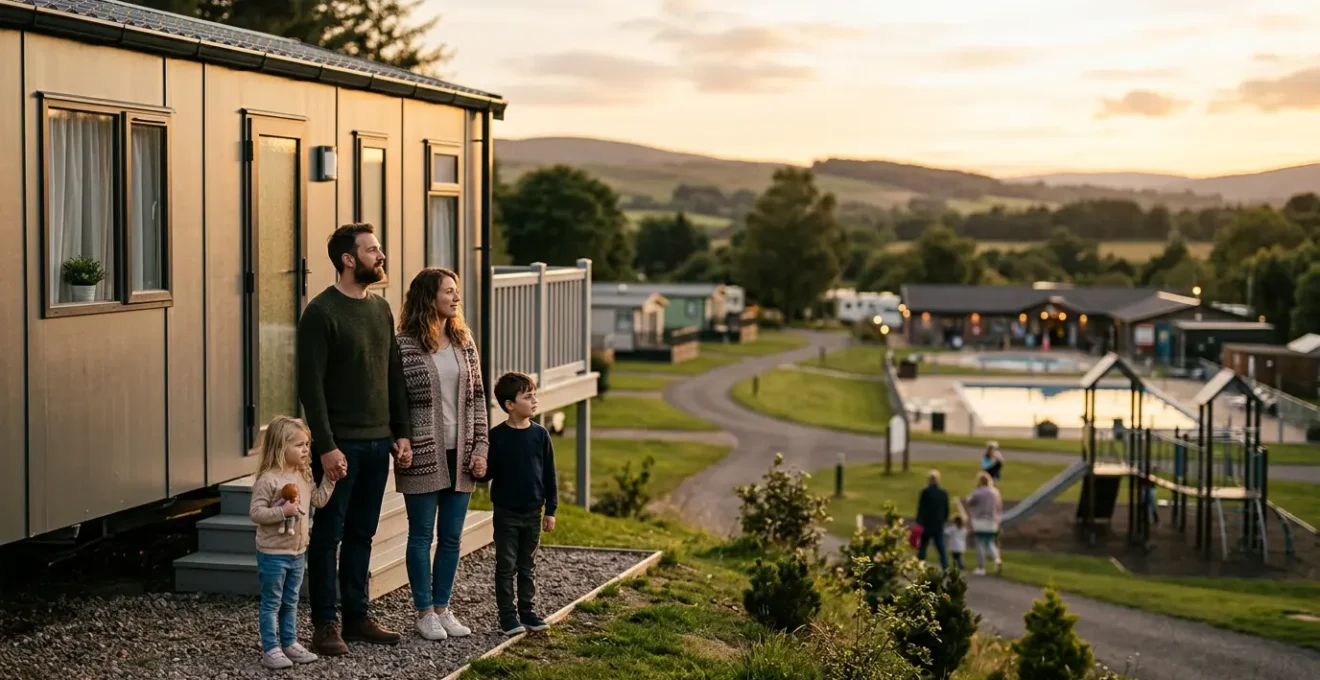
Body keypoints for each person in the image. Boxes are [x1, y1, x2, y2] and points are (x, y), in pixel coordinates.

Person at [297, 223, 413, 656]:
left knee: (363, 531)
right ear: (348, 259)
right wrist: (326, 446)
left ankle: (357, 617)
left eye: (378, 249)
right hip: (340, 445)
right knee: (329, 534)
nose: (380, 256)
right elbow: (311, 387)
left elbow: (393, 374)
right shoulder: (321, 313)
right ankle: (325, 624)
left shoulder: (380, 309)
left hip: (379, 441)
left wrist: (401, 433)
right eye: (372, 250)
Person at [396, 268, 489, 642]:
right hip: (422, 453)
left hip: (461, 454)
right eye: (448, 291)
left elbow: (478, 399)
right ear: (428, 297)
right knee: (421, 535)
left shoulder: (464, 342)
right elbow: (395, 403)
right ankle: (424, 612)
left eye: (456, 291)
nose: (456, 297)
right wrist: (400, 439)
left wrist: (481, 447)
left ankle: (442, 607)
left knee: (451, 537)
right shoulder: (404, 347)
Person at [246, 416, 336, 670]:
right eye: (299, 445)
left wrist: (331, 480)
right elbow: (256, 513)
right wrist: (281, 512)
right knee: (272, 602)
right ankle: (270, 648)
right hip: (273, 553)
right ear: (280, 447)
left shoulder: (303, 476)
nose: (306, 449)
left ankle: (289, 642)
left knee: (291, 600)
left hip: (297, 552)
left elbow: (318, 500)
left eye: (307, 444)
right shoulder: (268, 480)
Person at [476, 372, 558, 636]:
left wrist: (551, 510)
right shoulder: (497, 437)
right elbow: (488, 474)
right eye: (528, 396)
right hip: (506, 514)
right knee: (506, 566)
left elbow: (549, 475)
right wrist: (478, 469)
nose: (534, 400)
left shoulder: (541, 435)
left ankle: (528, 613)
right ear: (510, 404)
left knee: (527, 566)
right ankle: (508, 617)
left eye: (534, 395)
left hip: (533, 513)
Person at [964, 472, 1003, 576]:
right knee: (990, 541)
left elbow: (969, 502)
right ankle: (997, 559)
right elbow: (999, 507)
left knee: (980, 543)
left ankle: (981, 567)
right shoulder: (995, 492)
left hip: (980, 520)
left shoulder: (978, 492)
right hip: (992, 521)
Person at [915, 470, 950, 570]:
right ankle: (945, 566)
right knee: (940, 547)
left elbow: (921, 508)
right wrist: (943, 519)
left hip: (926, 523)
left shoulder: (925, 492)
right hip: (938, 523)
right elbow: (946, 509)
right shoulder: (943, 493)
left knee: (923, 546)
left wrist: (919, 521)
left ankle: (920, 566)